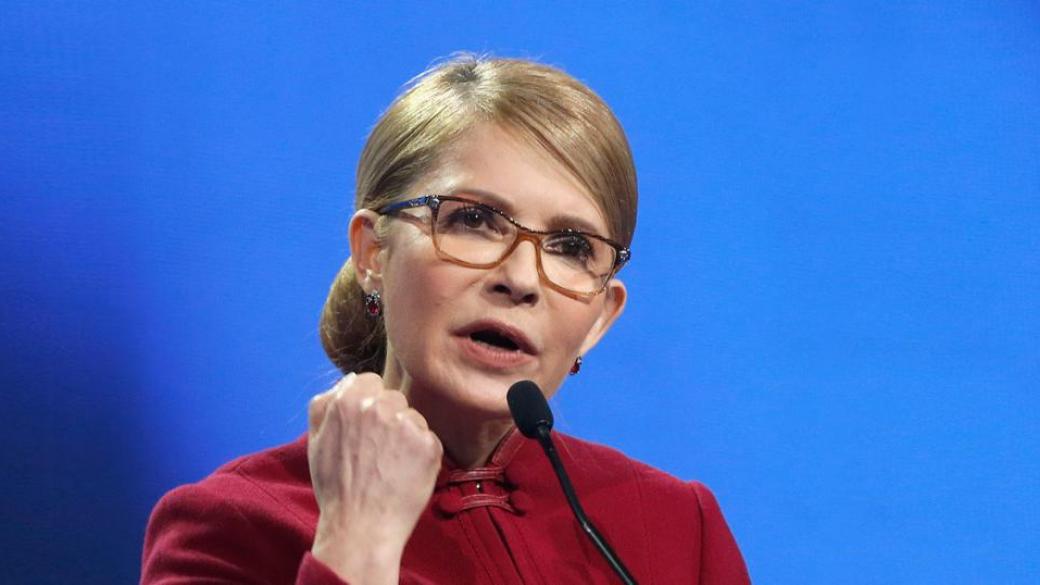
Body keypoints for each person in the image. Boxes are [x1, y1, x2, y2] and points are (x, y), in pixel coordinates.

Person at [141, 54, 751, 585]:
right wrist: (358, 539)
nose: (520, 278)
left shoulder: (677, 526)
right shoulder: (231, 525)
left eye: (571, 247)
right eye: (473, 220)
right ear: (372, 254)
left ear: (600, 317)